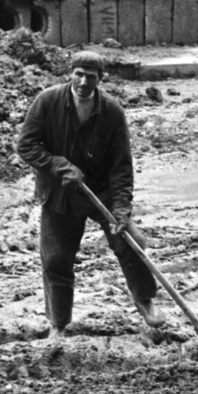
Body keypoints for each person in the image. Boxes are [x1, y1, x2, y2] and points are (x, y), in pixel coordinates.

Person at [15, 51, 163, 341]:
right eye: (79, 74)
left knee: (132, 242)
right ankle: (58, 323)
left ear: (100, 79)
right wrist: (58, 165)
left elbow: (121, 167)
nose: (84, 82)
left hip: (100, 190)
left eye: (91, 77)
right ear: (70, 73)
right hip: (60, 191)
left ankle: (144, 298)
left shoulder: (111, 112)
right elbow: (26, 146)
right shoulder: (48, 101)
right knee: (56, 259)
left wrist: (121, 210)